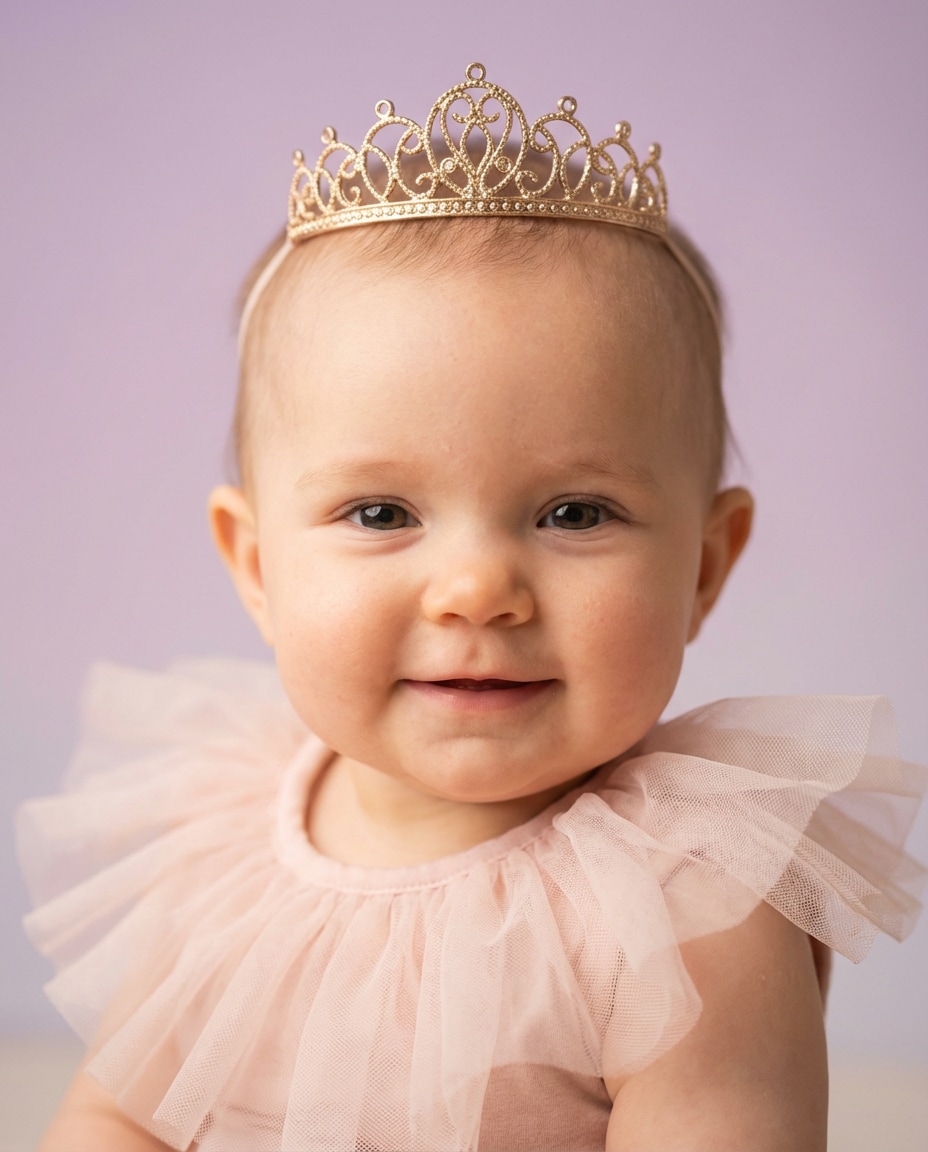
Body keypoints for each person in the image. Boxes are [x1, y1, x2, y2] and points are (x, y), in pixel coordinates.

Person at [19, 64, 925, 1152]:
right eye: (380, 511)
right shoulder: (219, 852)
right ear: (255, 566)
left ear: (702, 567)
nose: (478, 591)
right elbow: (122, 1117)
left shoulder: (687, 909)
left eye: (576, 513)